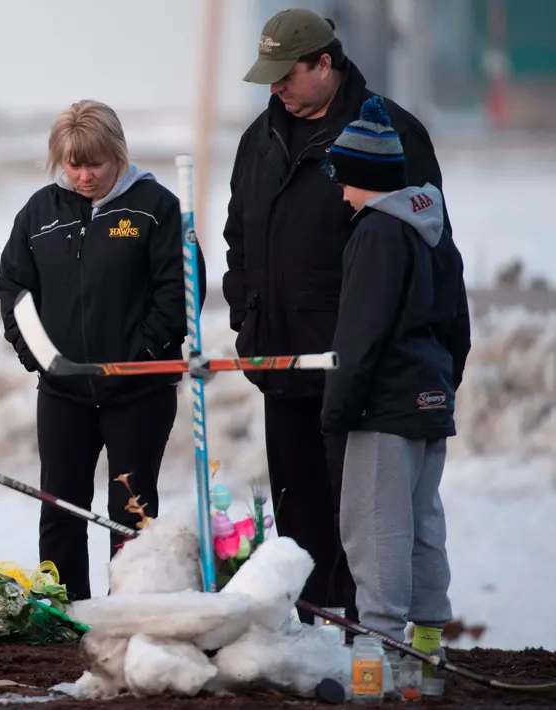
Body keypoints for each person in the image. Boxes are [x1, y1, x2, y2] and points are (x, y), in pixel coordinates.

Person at [222, 7, 446, 623]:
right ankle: (307, 637)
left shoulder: (389, 132)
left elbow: (432, 249)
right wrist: (248, 318)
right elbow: (239, 238)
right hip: (281, 362)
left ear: (325, 63)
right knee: (298, 523)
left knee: (364, 525)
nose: (275, 89)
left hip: (359, 373)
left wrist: (444, 355)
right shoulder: (258, 139)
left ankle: (366, 647)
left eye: (285, 75)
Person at [0, 99, 204, 601]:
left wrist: (143, 353)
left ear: (118, 155)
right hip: (63, 391)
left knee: (131, 509)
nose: (84, 176)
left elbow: (178, 291)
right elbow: (14, 291)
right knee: (60, 509)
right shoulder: (40, 212)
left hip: (140, 392)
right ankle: (66, 615)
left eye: (96, 164)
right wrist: (38, 355)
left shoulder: (156, 207)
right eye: (73, 164)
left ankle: (130, 610)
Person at [321, 97, 469, 663]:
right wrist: (441, 387)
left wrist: (337, 411)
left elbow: (359, 334)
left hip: (383, 407)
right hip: (428, 400)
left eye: (344, 180)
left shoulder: (377, 232)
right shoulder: (431, 227)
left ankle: (376, 663)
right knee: (422, 524)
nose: (341, 192)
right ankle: (427, 654)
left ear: (365, 177)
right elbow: (459, 324)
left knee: (377, 531)